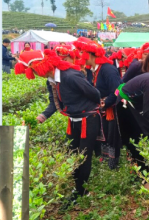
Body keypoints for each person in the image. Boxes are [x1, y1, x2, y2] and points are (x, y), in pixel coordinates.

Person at [20, 49, 100, 206]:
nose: (35, 74)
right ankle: (78, 187)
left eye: (34, 70)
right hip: (72, 120)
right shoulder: (51, 80)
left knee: (83, 156)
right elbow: (53, 103)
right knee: (72, 153)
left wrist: (85, 107)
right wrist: (39, 119)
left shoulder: (70, 76)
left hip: (88, 120)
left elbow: (94, 94)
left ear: (43, 65)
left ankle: (81, 192)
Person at [76, 38, 121, 168]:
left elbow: (117, 91)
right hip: (98, 110)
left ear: (89, 54)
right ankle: (103, 162)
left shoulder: (108, 69)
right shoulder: (91, 70)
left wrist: (105, 103)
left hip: (110, 110)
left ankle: (112, 165)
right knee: (102, 137)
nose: (80, 56)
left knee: (110, 136)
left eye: (82, 52)